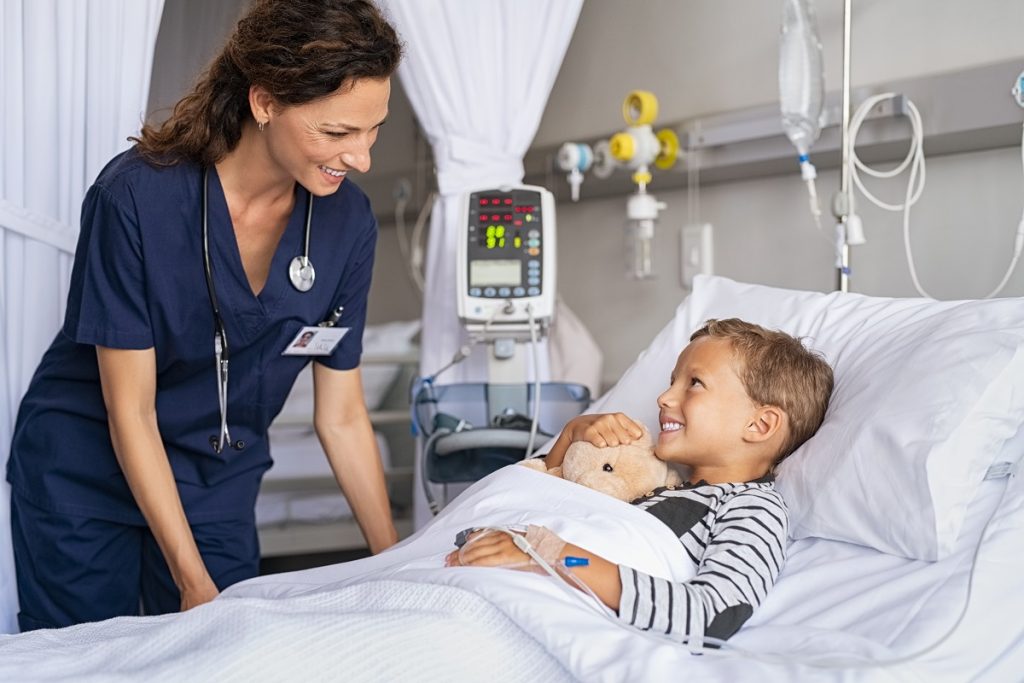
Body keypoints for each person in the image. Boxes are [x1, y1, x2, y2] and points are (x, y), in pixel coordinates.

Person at [6, 0, 402, 631]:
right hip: (86, 472)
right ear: (265, 101)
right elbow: (129, 412)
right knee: (85, 662)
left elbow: (344, 415)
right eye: (336, 133)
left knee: (223, 653)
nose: (361, 158)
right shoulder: (137, 196)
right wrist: (193, 584)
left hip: (217, 478)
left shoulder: (345, 222)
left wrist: (395, 563)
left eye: (373, 129)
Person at [447, 318, 834, 643]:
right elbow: (539, 504)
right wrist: (568, 438)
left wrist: (549, 554)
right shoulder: (651, 485)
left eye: (694, 383)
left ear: (759, 424)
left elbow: (714, 613)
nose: (664, 397)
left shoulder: (754, 506)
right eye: (671, 381)